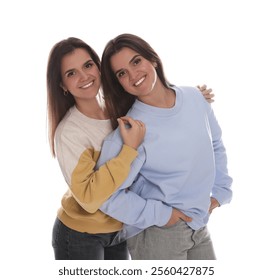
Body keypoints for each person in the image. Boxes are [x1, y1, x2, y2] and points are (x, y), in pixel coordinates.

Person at [47, 37, 215, 260]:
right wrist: (128, 151)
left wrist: (191, 97)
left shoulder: (117, 107)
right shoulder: (70, 132)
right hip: (81, 234)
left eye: (88, 66)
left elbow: (152, 96)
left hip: (119, 229)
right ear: (62, 86)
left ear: (99, 68)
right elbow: (89, 198)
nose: (84, 76)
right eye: (71, 73)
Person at [91, 33, 233, 260]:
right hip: (158, 234)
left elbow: (215, 144)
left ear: (153, 59)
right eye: (121, 73)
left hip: (199, 225)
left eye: (136, 61)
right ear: (119, 83)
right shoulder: (129, 131)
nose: (133, 75)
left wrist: (221, 191)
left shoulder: (195, 98)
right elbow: (104, 195)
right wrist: (163, 214)